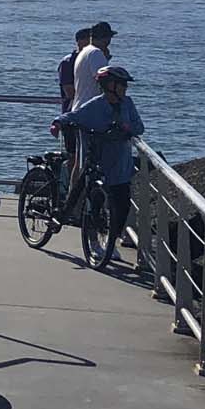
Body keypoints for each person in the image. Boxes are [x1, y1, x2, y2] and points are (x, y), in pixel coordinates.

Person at [51, 64, 145, 268]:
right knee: (94, 202)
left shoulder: (127, 104)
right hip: (98, 162)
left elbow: (139, 127)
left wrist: (126, 127)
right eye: (122, 84)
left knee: (122, 205)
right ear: (110, 85)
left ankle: (110, 240)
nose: (125, 88)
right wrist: (57, 123)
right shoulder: (95, 105)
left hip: (120, 164)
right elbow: (73, 116)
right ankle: (94, 242)